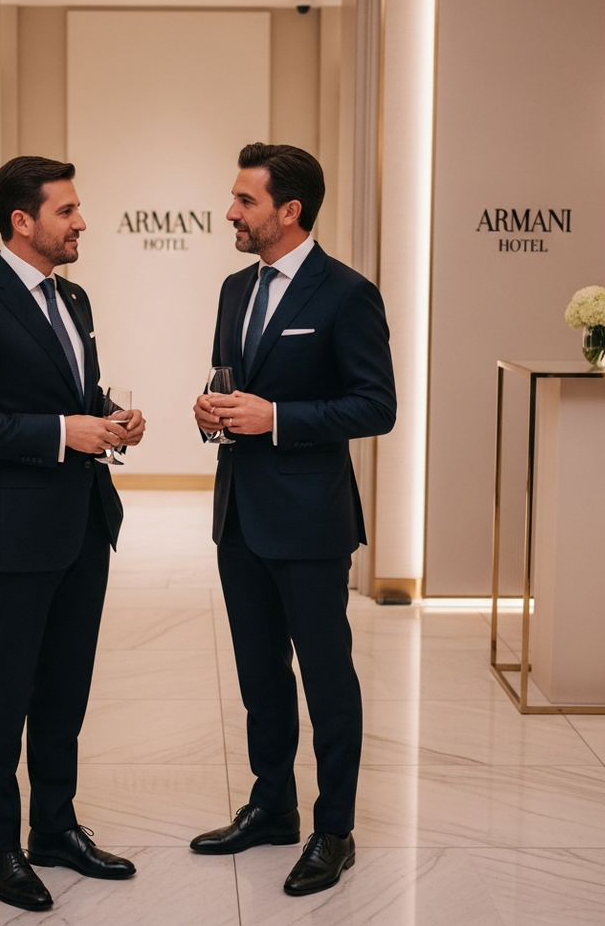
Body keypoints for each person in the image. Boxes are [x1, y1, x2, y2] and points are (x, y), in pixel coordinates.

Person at [0, 156, 145, 912]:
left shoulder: (74, 296)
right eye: (67, 211)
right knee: (5, 691)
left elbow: (74, 392)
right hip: (13, 533)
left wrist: (111, 417)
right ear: (23, 221)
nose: (81, 221)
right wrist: (65, 431)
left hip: (84, 522)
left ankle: (56, 826)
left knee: (65, 687)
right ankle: (0, 847)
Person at [191, 143, 396, 896]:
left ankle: (333, 828)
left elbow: (377, 406)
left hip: (311, 521)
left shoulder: (347, 294)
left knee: (326, 676)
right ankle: (270, 804)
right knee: (258, 675)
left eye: (244, 201)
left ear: (289, 211)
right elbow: (229, 384)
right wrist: (213, 412)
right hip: (239, 515)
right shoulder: (232, 290)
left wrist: (274, 417)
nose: (230, 213)